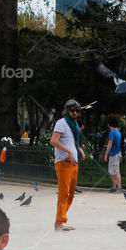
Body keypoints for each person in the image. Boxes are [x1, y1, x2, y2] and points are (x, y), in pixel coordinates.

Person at [49, 99, 86, 231]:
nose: (75, 113)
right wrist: (68, 151)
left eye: (77, 111)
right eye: (72, 110)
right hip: (63, 162)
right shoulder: (62, 123)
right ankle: (59, 223)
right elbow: (53, 141)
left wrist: (78, 149)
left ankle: (62, 219)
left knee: (70, 194)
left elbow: (71, 141)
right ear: (66, 111)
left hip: (73, 162)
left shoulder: (74, 124)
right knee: (64, 193)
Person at [103, 114, 123, 193]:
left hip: (114, 153)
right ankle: (114, 187)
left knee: (115, 171)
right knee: (113, 171)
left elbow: (109, 144)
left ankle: (118, 187)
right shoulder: (118, 131)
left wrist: (106, 154)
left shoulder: (112, 132)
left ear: (109, 123)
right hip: (117, 153)